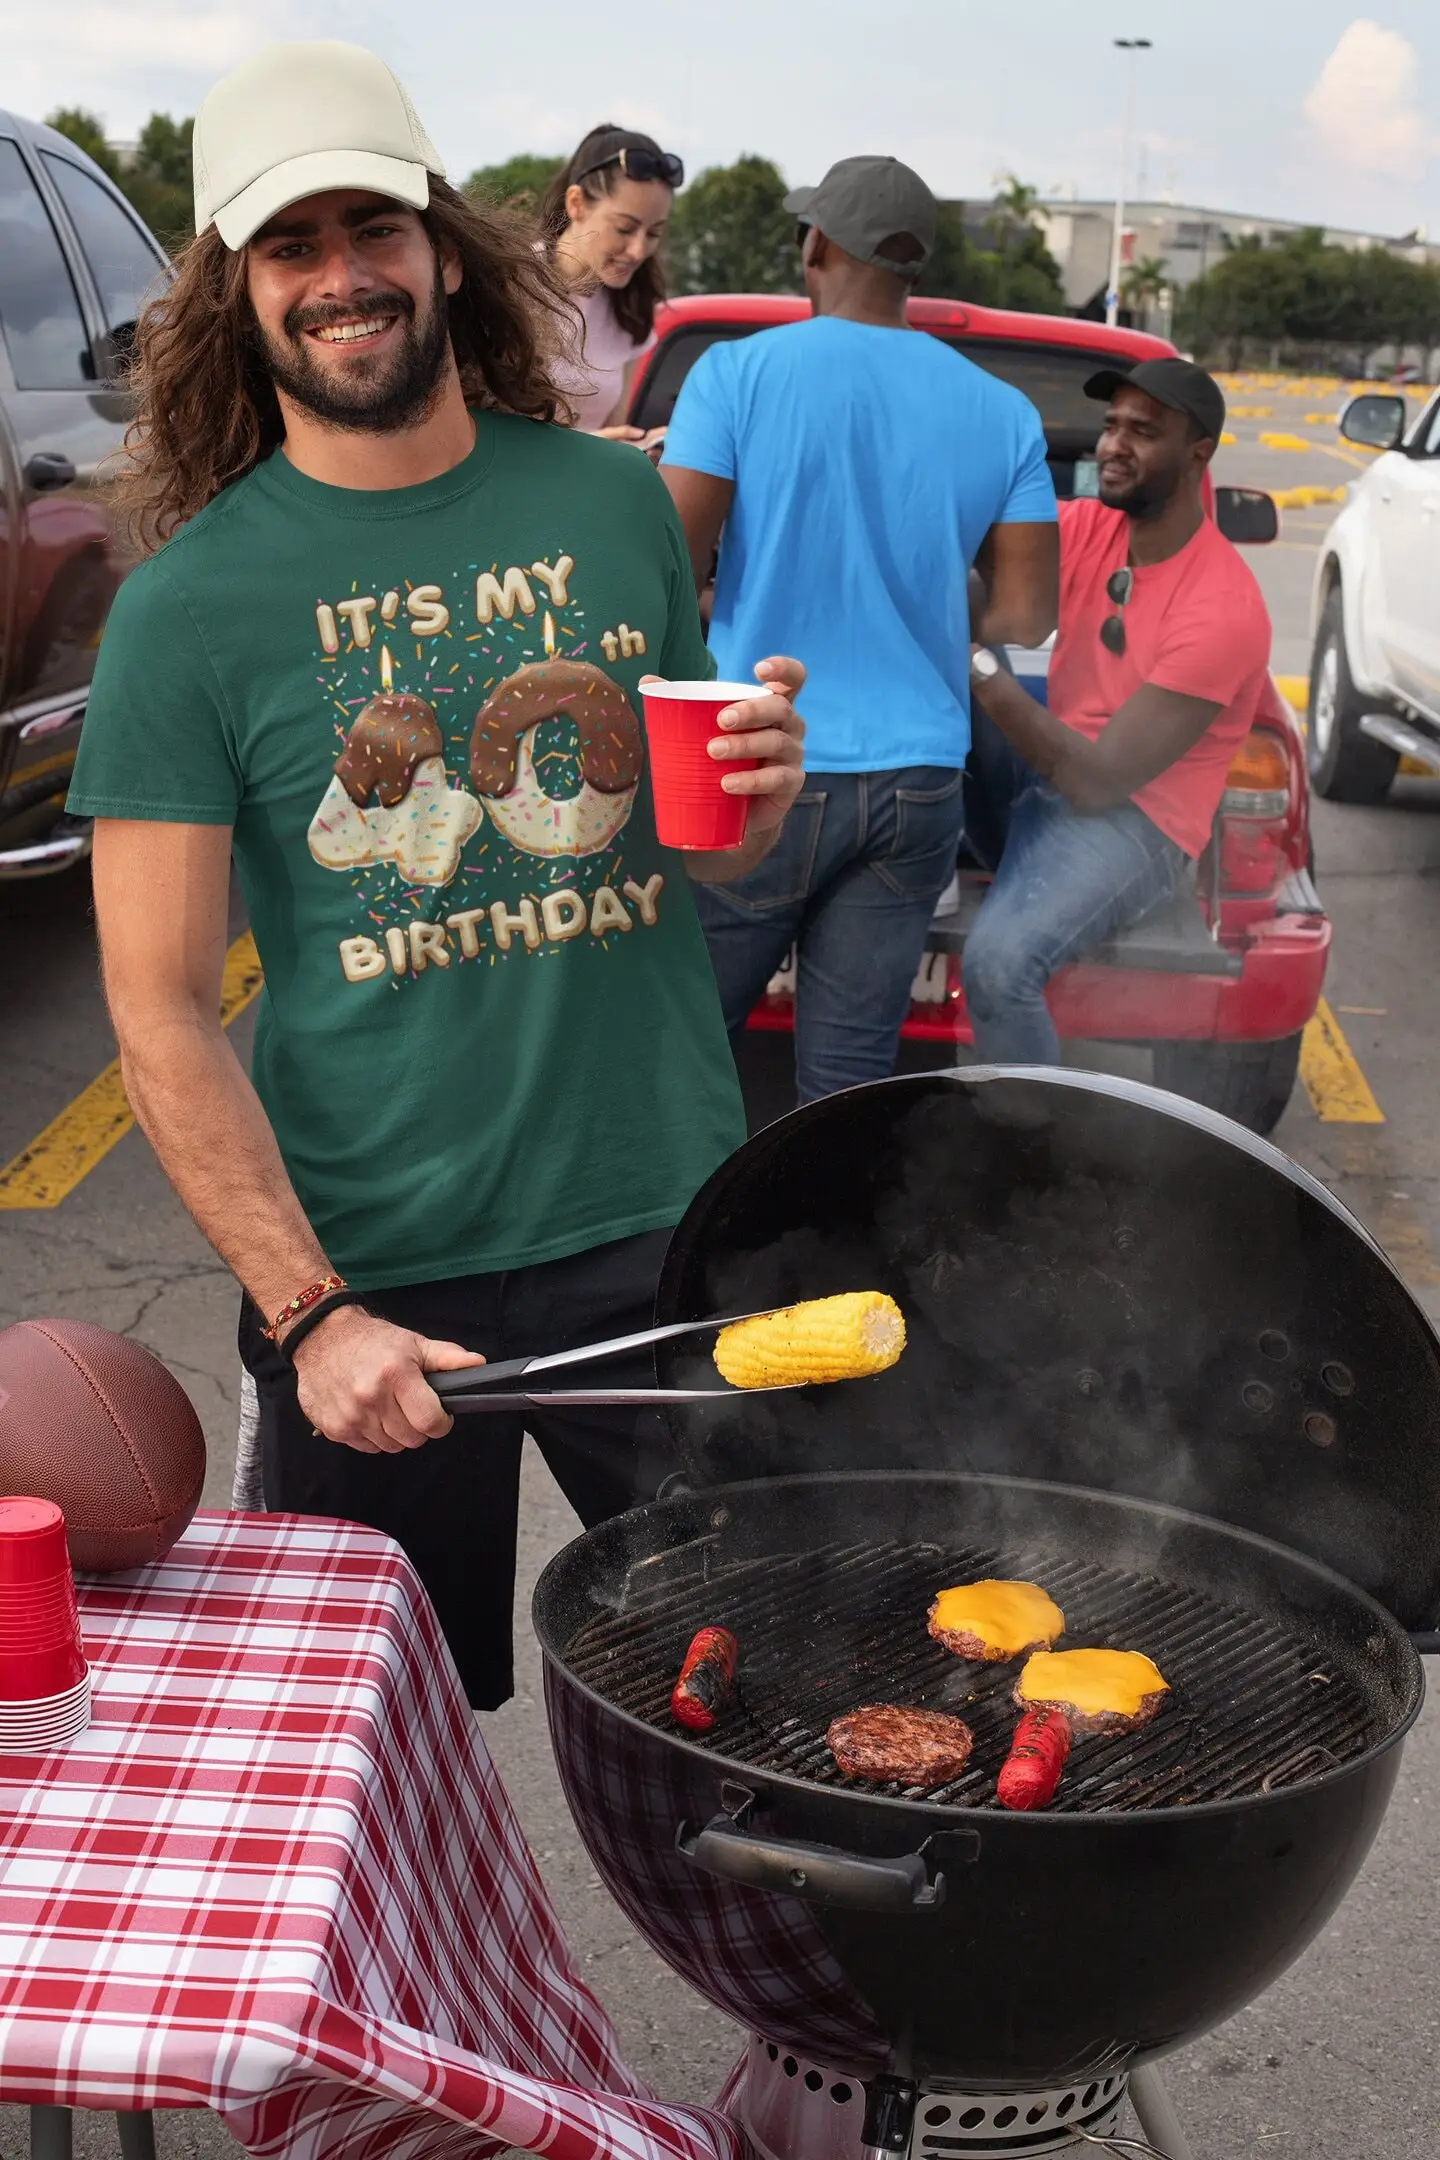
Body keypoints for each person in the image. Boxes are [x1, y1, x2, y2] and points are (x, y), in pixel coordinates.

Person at [65, 40, 805, 1712]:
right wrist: (309, 1309)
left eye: (370, 227)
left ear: (442, 244)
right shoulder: (189, 612)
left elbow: (703, 841)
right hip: (375, 1271)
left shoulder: (616, 511)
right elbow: (160, 1014)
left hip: (661, 1225)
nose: (341, 277)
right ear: (235, 293)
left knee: (752, 1691)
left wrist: (758, 794)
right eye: (289, 246)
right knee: (367, 1743)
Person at [660, 156, 1058, 1103]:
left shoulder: (737, 375)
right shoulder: (1003, 413)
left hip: (766, 764)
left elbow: (665, 564)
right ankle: (824, 1250)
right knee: (847, 1084)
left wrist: (728, 600)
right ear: (912, 266)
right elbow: (1026, 616)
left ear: (819, 246)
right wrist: (920, 592)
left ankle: (673, 1246)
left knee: (682, 1047)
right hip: (922, 781)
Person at [960, 357, 1271, 1065]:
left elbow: (1100, 782)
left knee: (999, 968)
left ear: (1198, 455)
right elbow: (968, 529)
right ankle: (885, 850)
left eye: (1142, 431)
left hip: (1133, 825)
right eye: (1109, 426)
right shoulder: (1091, 528)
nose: (1112, 446)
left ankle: (1027, 1156)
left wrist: (973, 661)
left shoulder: (1222, 607)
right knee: (945, 588)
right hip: (1043, 787)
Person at [539, 125, 681, 441]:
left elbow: (610, 433)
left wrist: (635, 447)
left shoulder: (630, 309)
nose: (639, 251)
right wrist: (590, 450)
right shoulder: (507, 285)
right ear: (575, 203)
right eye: (625, 228)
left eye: (654, 233)